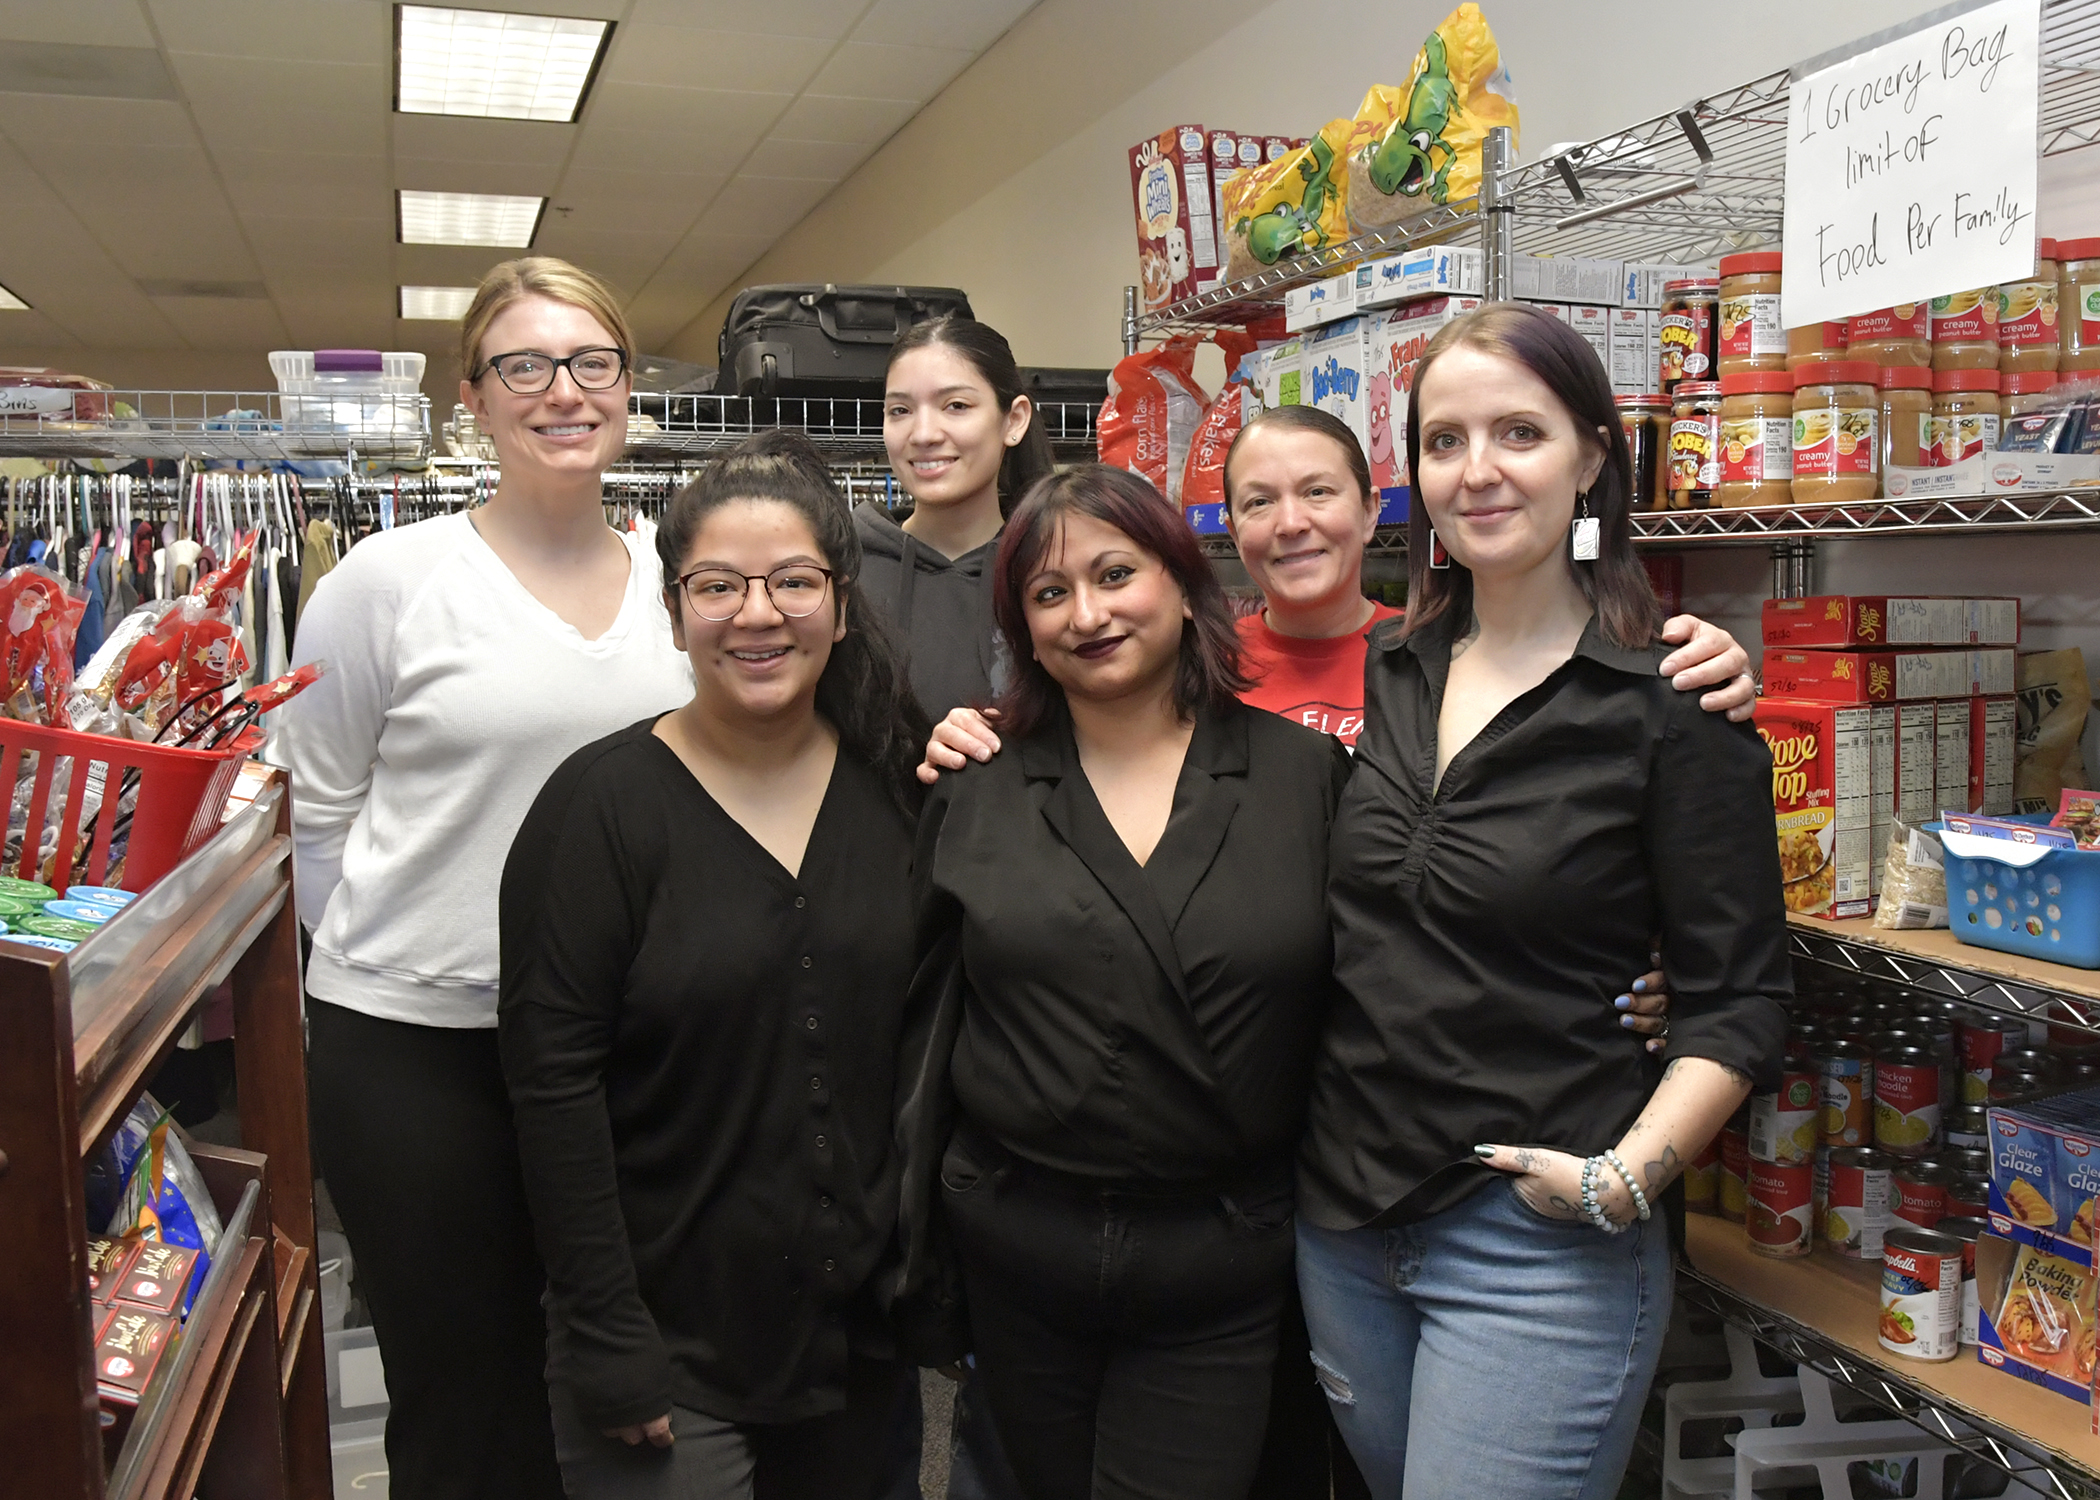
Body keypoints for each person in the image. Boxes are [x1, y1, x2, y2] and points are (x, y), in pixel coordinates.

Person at [1293, 302, 1790, 1500]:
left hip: (1533, 1245)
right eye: (1445, 440)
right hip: (1344, 1225)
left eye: (1519, 432)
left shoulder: (1674, 701)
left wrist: (1624, 1180)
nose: (1478, 471)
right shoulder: (1397, 667)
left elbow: (1740, 1002)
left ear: (1592, 457)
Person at [280, 257, 691, 1499]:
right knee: (464, 1397)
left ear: (626, 385)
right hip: (418, 1053)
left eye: (591, 362)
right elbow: (312, 814)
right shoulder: (385, 583)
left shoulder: (684, 583)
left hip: (627, 1048)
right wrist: (396, 959)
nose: (563, 391)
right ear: (473, 397)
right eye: (525, 365)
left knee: (631, 1379)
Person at [902, 463, 1352, 1500]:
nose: (1087, 614)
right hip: (1018, 1251)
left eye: (1115, 575)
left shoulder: (1304, 780)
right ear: (1021, 627)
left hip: (1220, 1262)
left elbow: (1379, 987)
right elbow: (923, 1016)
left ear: (1183, 585)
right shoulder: (975, 786)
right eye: (1048, 593)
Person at [499, 433, 932, 1500]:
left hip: (860, 1345)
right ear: (673, 607)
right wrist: (605, 1329)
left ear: (840, 602)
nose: (757, 614)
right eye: (719, 585)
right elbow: (552, 1087)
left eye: (793, 582)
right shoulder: (598, 809)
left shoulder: (901, 786)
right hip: (668, 1345)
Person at [860, 315, 1052, 1500]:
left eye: (955, 405)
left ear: (1015, 417)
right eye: (900, 410)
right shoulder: (844, 565)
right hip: (867, 941)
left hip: (1014, 951)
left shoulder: (1059, 564)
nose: (923, 433)